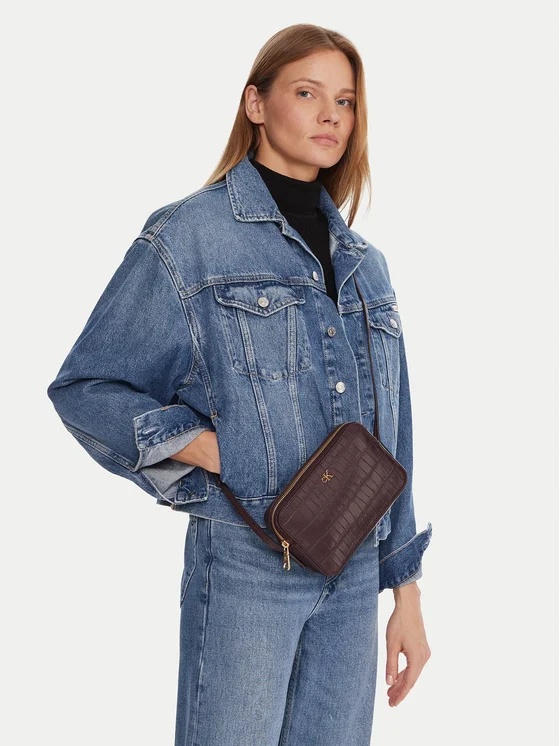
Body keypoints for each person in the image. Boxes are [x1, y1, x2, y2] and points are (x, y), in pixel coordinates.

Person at [47, 23, 432, 746]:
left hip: (353, 572)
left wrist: (403, 590)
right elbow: (88, 387)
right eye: (307, 93)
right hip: (249, 565)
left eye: (345, 101)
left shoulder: (364, 264)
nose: (330, 115)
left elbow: (394, 435)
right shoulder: (189, 238)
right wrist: (209, 449)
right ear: (256, 104)